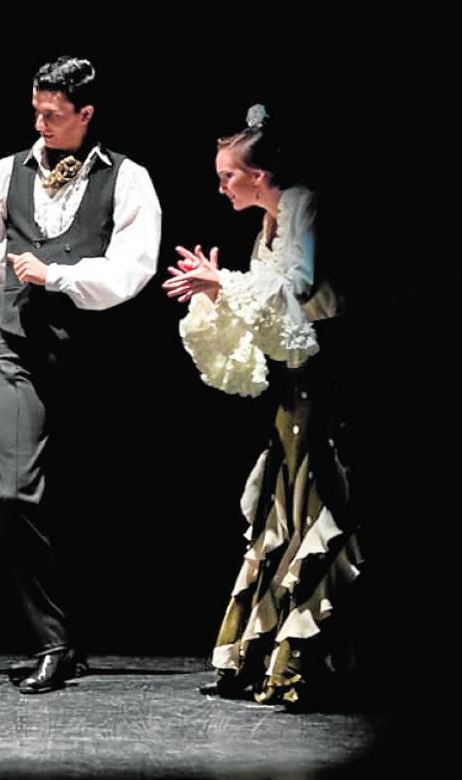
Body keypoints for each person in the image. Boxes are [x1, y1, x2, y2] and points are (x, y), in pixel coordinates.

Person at [0, 55, 161, 693]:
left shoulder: (129, 179)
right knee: (16, 493)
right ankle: (52, 639)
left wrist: (59, 275)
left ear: (85, 114)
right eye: (35, 109)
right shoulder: (1, 175)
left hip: (97, 358)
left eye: (53, 113)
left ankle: (77, 633)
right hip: (18, 351)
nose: (40, 122)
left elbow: (132, 270)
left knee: (86, 501)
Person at [163, 104, 358, 708]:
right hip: (290, 390)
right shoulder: (265, 225)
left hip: (330, 385)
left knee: (315, 514)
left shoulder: (302, 203)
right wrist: (222, 294)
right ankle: (257, 659)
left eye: (228, 176)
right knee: (278, 517)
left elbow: (302, 290)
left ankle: (306, 664)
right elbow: (266, 310)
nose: (221, 187)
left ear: (259, 175)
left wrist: (228, 286)